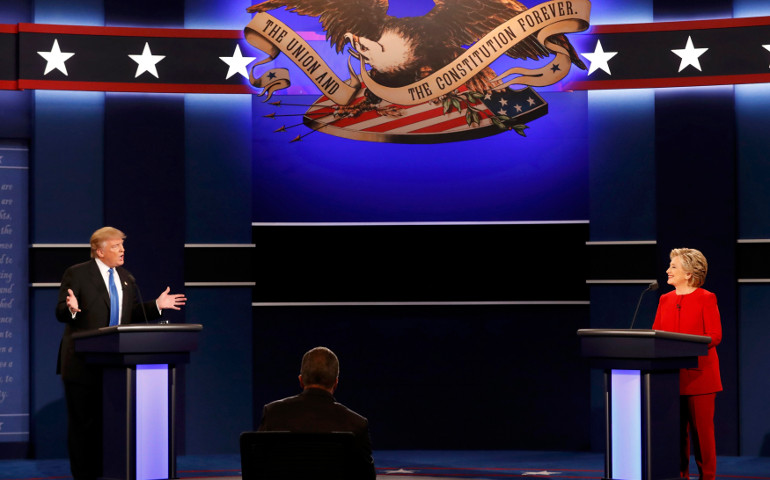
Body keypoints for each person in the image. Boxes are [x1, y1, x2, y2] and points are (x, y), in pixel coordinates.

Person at [55, 226, 187, 480]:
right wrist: (71, 309)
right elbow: (61, 311)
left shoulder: (126, 277)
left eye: (122, 245)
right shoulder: (77, 274)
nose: (122, 250)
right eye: (116, 246)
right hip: (82, 363)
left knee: (111, 424)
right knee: (84, 426)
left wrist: (157, 306)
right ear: (99, 250)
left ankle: (110, 472)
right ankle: (85, 476)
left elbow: (133, 315)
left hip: (115, 366)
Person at [652, 248, 722, 480]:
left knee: (702, 434)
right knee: (675, 434)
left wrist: (684, 346)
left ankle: (707, 477)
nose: (667, 270)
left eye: (673, 267)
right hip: (670, 376)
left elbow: (715, 336)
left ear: (689, 274)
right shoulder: (664, 299)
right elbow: (656, 334)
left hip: (700, 376)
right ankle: (679, 476)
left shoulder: (706, 298)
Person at [258, 346, 375, 480]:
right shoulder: (356, 424)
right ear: (335, 383)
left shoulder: (273, 414)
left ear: (301, 381)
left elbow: (258, 469)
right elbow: (367, 477)